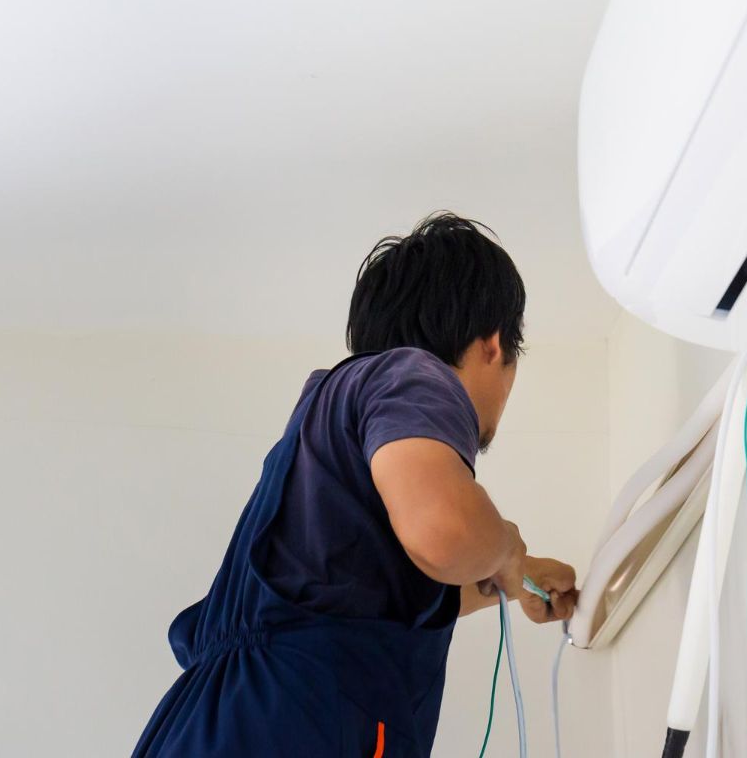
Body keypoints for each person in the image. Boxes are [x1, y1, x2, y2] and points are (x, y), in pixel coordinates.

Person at [134, 212, 578, 757]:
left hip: (215, 724)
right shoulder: (416, 375)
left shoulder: (335, 421)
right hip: (292, 719)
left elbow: (364, 586)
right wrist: (506, 549)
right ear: (492, 343)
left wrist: (507, 582)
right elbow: (443, 529)